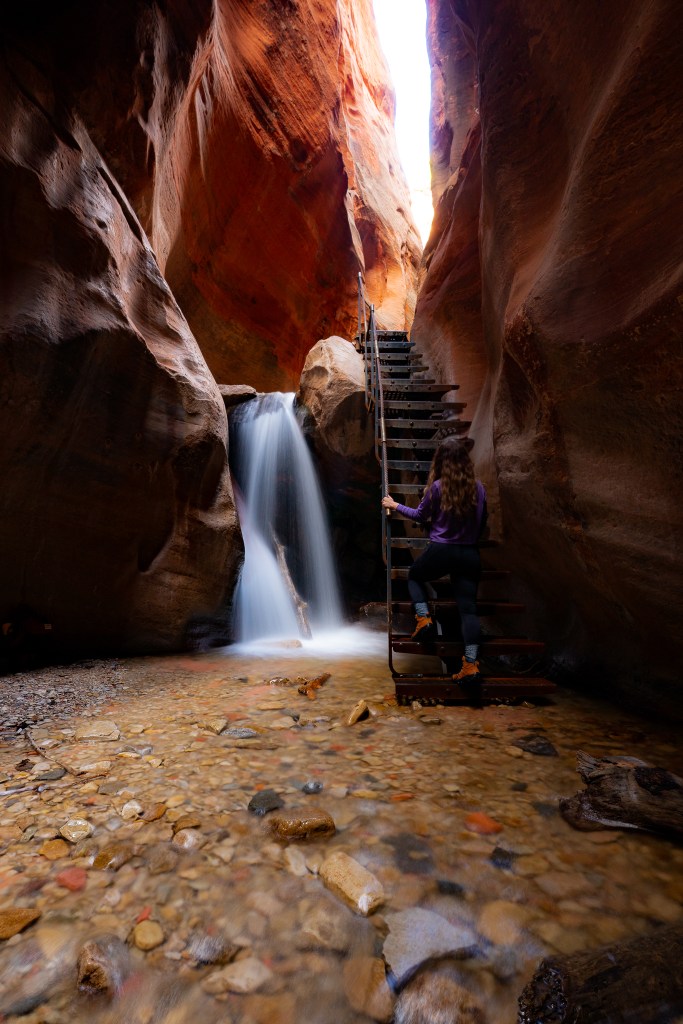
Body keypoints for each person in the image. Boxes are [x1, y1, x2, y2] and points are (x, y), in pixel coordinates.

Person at [382, 437, 487, 682]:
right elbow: (483, 521)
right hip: (470, 553)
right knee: (468, 611)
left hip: (442, 550)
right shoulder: (479, 488)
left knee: (415, 575)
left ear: (441, 461)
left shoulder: (438, 487)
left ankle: (423, 618)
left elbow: (420, 516)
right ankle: (471, 664)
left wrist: (395, 504)